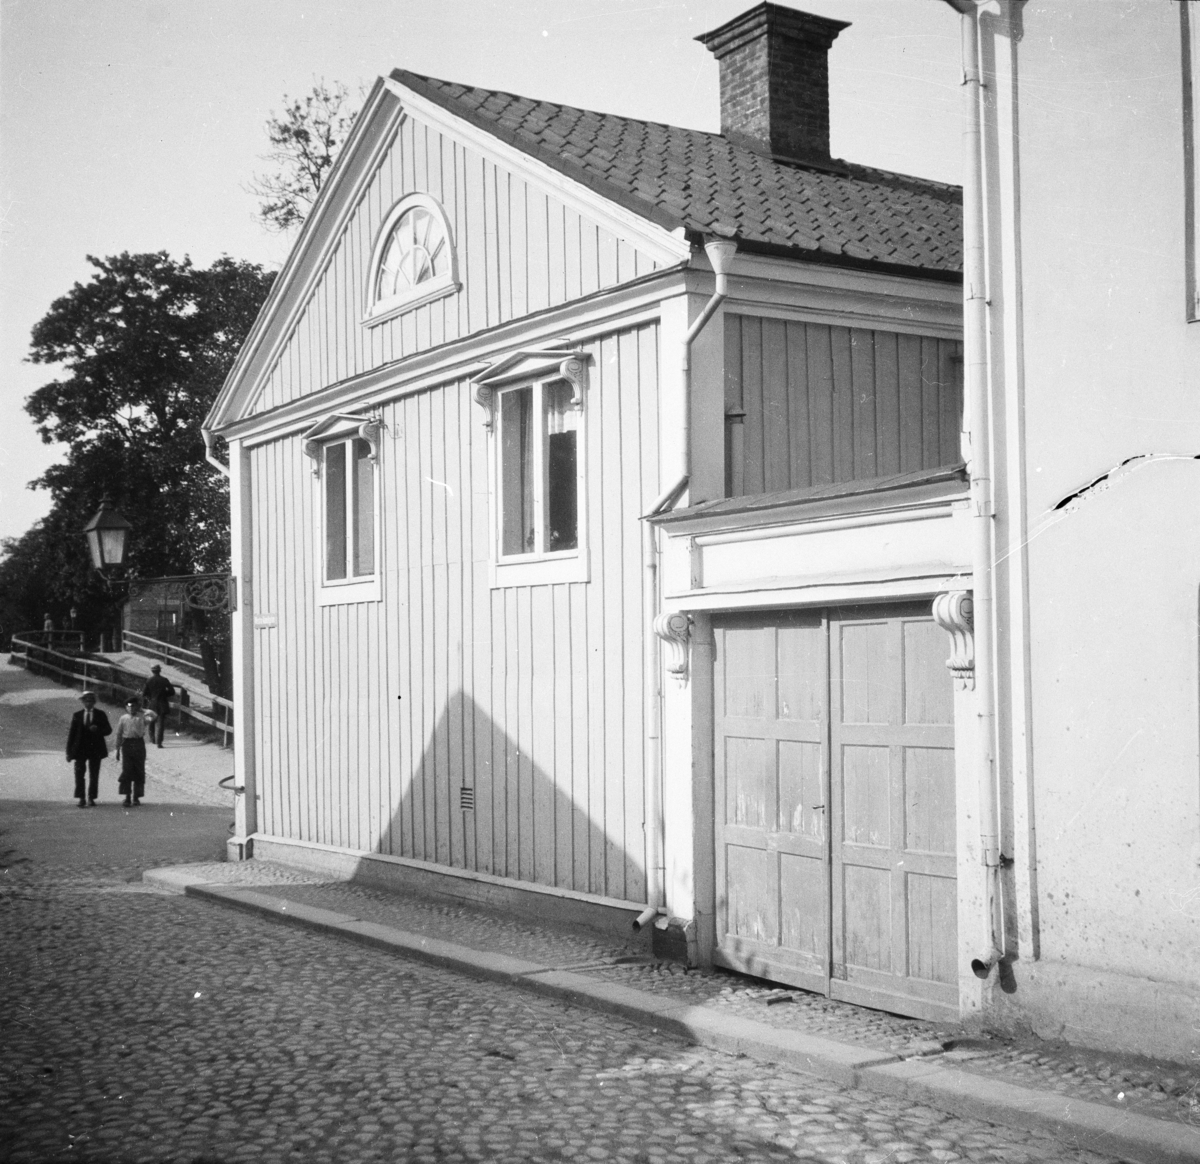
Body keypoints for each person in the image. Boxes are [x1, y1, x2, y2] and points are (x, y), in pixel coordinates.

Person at [66, 691, 112, 808]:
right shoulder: (77, 715)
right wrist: (69, 752)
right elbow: (72, 734)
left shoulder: (100, 714)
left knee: (94, 774)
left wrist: (98, 729)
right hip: (80, 749)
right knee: (79, 774)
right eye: (86, 701)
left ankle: (91, 798)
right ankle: (81, 798)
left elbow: (108, 730)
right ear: (83, 702)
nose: (89, 703)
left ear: (94, 702)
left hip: (95, 749)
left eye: (91, 701)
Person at [113, 697, 156, 807]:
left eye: (134, 706)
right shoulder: (123, 718)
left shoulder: (142, 717)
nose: (131, 708)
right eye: (129, 706)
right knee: (127, 770)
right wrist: (117, 749)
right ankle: (127, 797)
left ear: (137, 707)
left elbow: (154, 715)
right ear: (126, 707)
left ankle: (136, 797)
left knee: (139, 770)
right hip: (127, 744)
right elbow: (119, 734)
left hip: (139, 744)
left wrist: (142, 710)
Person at [141, 664, 176, 748]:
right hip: (162, 703)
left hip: (152, 703)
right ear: (160, 671)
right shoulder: (164, 680)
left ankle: (152, 739)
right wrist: (164, 694)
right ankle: (159, 742)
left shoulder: (149, 680)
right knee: (160, 724)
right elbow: (172, 692)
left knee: (151, 722)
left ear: (152, 671)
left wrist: (150, 697)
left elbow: (144, 693)